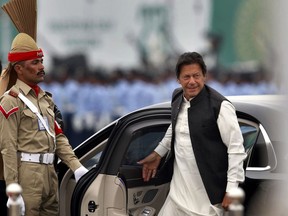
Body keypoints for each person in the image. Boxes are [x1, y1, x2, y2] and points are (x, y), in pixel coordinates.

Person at [138, 52, 247, 216]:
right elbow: (176, 125)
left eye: (196, 76)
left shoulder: (220, 106)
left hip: (206, 203)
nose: (192, 82)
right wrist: (158, 153)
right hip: (176, 197)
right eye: (186, 77)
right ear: (178, 79)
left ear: (205, 76)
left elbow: (236, 149)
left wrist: (231, 190)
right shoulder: (177, 97)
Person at [0, 33, 88, 216]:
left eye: (41, 61)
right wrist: (13, 190)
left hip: (50, 173)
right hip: (28, 174)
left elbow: (57, 136)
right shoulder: (11, 101)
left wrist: (76, 166)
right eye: (34, 63)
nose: (41, 67)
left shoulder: (44, 99)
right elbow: (8, 148)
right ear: (19, 69)